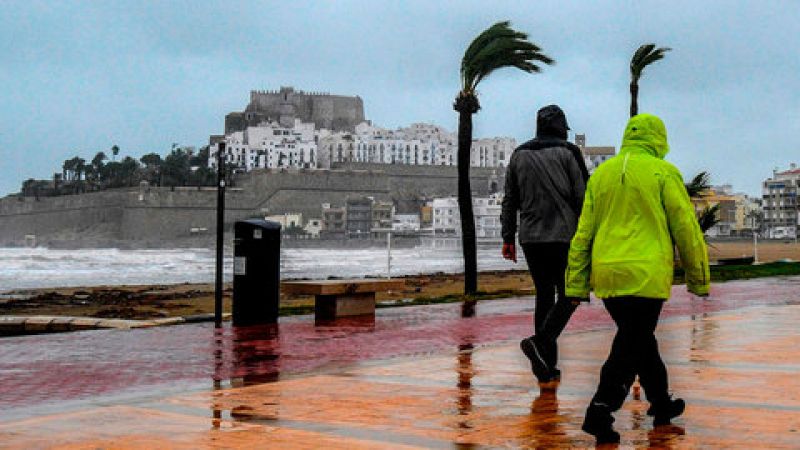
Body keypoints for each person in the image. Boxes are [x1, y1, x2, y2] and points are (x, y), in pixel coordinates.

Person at [562, 113, 709, 443]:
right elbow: (685, 227)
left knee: (639, 338)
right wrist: (698, 278)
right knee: (632, 342)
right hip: (645, 272)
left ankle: (661, 403)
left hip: (608, 273)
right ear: (660, 139)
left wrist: (576, 282)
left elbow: (583, 233)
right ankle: (600, 408)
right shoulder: (663, 172)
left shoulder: (601, 175)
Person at [500, 105, 589, 386]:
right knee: (571, 293)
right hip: (564, 237)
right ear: (562, 127)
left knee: (544, 295)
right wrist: (590, 236)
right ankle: (540, 344)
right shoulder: (568, 152)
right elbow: (583, 198)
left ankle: (546, 367)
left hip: (530, 238)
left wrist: (507, 237)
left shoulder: (519, 155)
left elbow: (510, 200)